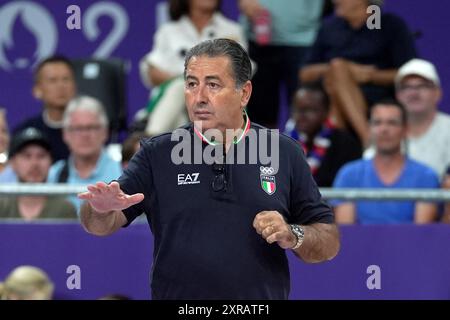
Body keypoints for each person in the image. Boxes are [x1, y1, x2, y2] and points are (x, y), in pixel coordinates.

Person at [78, 39, 340, 300]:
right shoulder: (157, 154)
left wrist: (292, 234)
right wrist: (100, 210)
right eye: (192, 84)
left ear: (244, 93)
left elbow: (328, 242)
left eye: (213, 85)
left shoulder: (284, 152)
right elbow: (100, 225)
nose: (200, 97)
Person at [300, 0, 416, 146]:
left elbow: (409, 73)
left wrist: (370, 76)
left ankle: (341, 150)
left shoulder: (390, 25)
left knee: (336, 75)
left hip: (376, 98)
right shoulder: (329, 28)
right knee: (337, 69)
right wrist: (341, 70)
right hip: (330, 97)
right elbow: (304, 74)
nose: (335, 1)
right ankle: (368, 140)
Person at [137, 0, 246, 136]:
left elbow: (244, 70)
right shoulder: (169, 32)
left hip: (216, 100)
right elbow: (153, 72)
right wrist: (188, 81)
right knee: (181, 93)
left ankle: (149, 140)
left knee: (184, 89)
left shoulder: (232, 31)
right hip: (179, 102)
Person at [333, 100, 439, 224]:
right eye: (377, 123)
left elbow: (421, 235)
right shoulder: (349, 174)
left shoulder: (426, 175)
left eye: (392, 123)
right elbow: (347, 233)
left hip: (409, 243)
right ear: (369, 128)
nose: (384, 129)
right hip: (361, 243)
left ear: (405, 129)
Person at [238, 0, 326, 129]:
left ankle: (302, 147)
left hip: (303, 38)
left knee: (305, 108)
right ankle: (264, 148)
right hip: (258, 35)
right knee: (260, 111)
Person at [47, 96, 122, 212]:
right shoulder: (54, 174)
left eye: (91, 127)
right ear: (65, 134)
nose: (85, 135)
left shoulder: (122, 172)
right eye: (78, 128)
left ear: (105, 132)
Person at [285, 82, 361, 187]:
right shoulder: (283, 142)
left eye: (309, 109)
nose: (301, 115)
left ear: (326, 112)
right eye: (297, 109)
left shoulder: (345, 144)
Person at [0, 127, 77, 220]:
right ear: (12, 163)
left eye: (41, 156)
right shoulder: (2, 207)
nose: (34, 163)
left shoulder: (65, 209)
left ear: (51, 162)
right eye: (27, 156)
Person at [394, 58, 450, 180]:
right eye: (407, 87)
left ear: (438, 93)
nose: (414, 93)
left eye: (422, 86)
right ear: (398, 95)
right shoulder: (387, 129)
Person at [14, 56, 77, 162]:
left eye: (66, 79)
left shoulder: (90, 129)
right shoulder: (25, 132)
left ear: (75, 87)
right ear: (37, 90)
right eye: (53, 80)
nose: (61, 86)